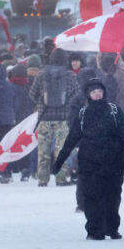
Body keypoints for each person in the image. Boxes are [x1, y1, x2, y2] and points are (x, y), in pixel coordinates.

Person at [53, 78, 124, 240]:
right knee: (92, 196)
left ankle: (112, 228)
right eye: (94, 92)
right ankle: (94, 230)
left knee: (113, 197)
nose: (97, 94)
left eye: (100, 91)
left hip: (113, 161)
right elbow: (72, 138)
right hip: (90, 162)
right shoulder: (83, 113)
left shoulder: (114, 111)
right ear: (88, 95)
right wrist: (60, 160)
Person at [29, 48, 78, 186]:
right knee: (61, 149)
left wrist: (41, 102)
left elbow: (32, 95)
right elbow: (77, 95)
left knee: (43, 150)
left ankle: (42, 179)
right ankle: (60, 178)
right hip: (63, 118)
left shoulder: (41, 75)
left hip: (44, 117)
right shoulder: (70, 76)